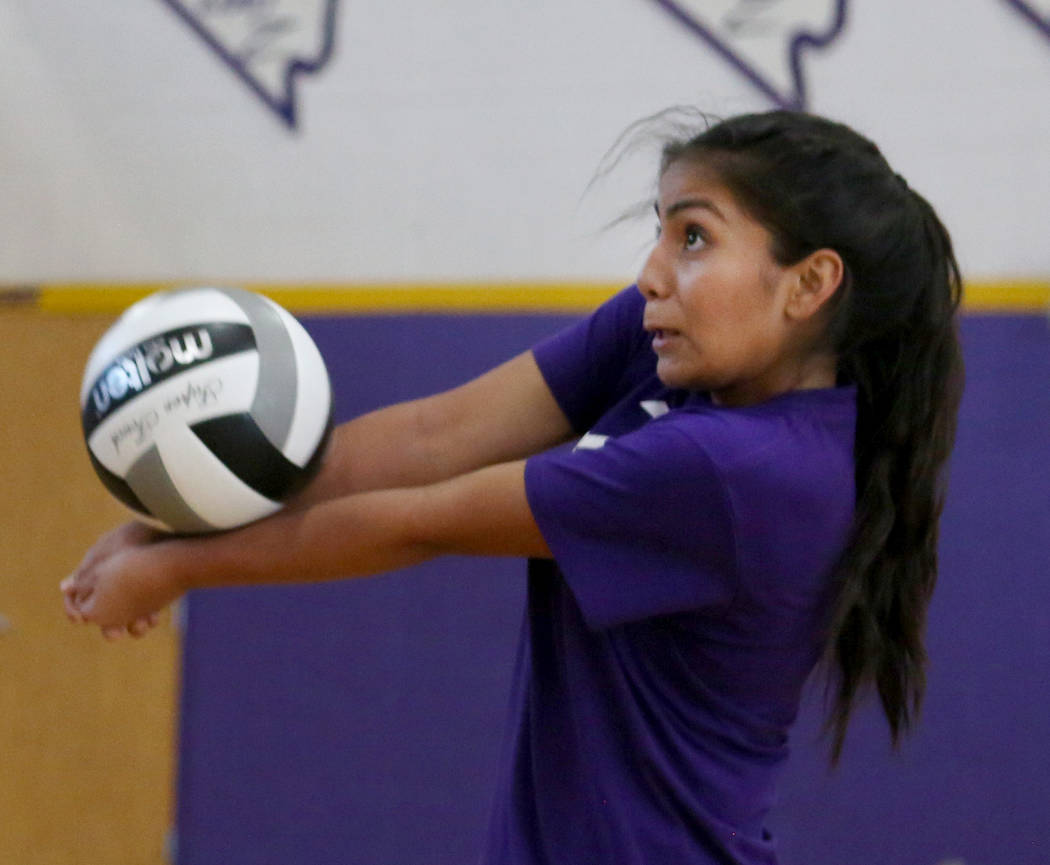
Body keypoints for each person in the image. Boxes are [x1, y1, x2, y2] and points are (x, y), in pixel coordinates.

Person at [62, 109, 964, 865]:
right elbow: (435, 437)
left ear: (810, 283)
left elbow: (423, 521)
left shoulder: (740, 474)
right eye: (658, 231)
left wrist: (181, 565)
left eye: (694, 237)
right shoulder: (669, 344)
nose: (653, 270)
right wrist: (174, 520)